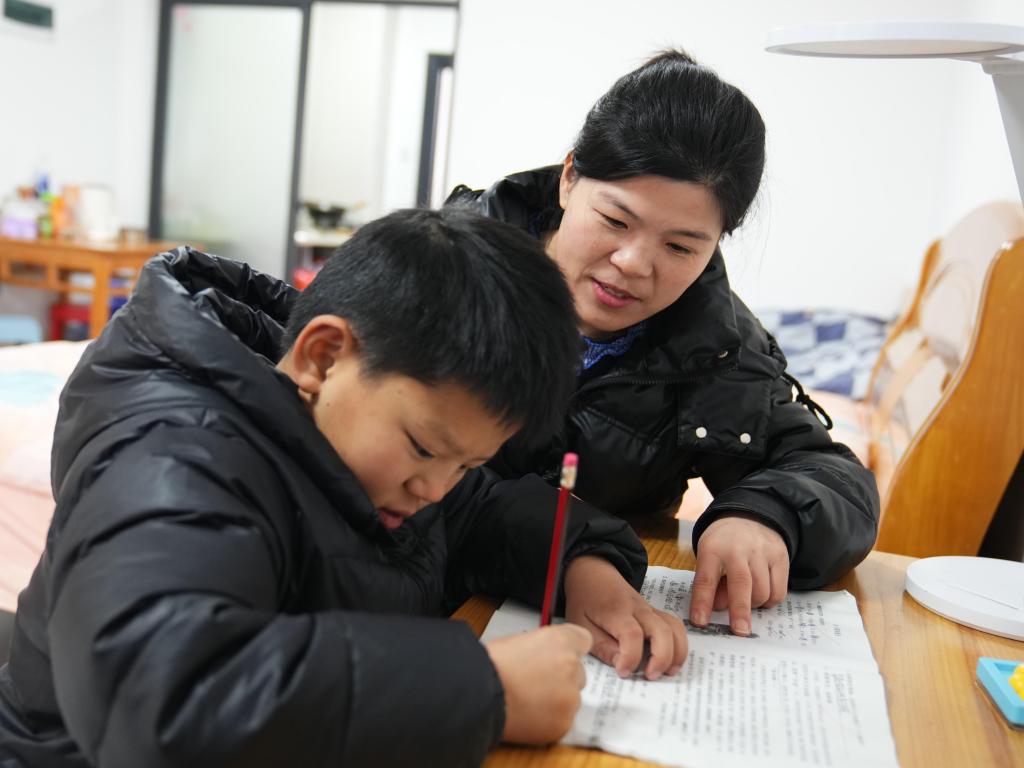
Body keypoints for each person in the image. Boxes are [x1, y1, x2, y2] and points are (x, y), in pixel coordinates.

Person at [0, 209, 687, 768]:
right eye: (426, 449)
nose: (435, 489)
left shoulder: (355, 436)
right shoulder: (175, 457)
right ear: (323, 356)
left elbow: (479, 511)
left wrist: (583, 564)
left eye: (466, 464)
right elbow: (163, 704)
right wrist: (484, 689)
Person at [447, 50, 880, 638]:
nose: (633, 263)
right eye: (615, 221)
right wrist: (570, 555)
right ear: (569, 178)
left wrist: (766, 514)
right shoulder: (444, 271)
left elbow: (832, 478)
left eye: (680, 247)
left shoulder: (714, 346)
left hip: (577, 626)